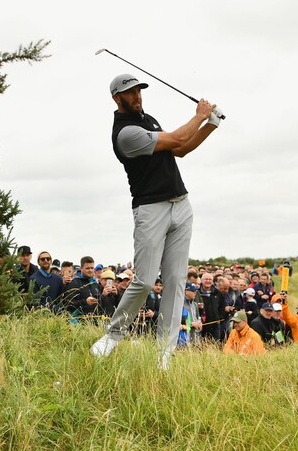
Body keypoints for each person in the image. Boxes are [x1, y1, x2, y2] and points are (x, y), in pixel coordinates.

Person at [90, 73, 220, 368]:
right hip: (150, 209)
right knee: (146, 280)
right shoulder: (125, 133)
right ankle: (113, 336)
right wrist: (199, 115)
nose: (137, 96)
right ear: (116, 98)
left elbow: (181, 149)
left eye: (138, 91)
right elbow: (177, 137)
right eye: (130, 93)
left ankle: (164, 353)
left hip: (180, 204)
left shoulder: (148, 120)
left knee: (175, 282)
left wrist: (211, 124)